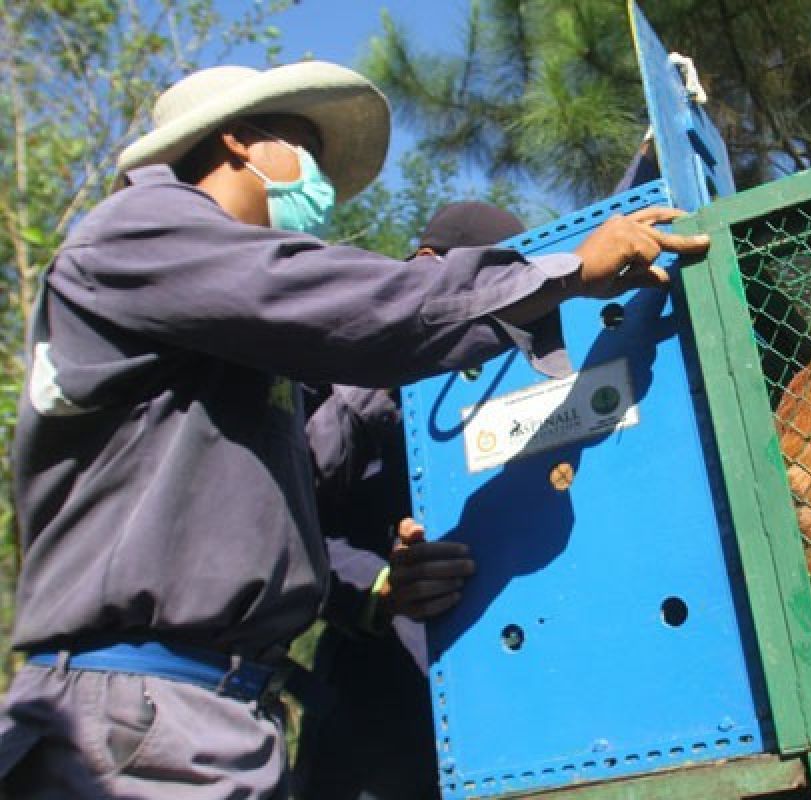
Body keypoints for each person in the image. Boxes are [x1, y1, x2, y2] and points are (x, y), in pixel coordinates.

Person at [0, 61, 707, 799]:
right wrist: (559, 273)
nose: (321, 180)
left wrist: (378, 583)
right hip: (132, 713)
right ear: (242, 142)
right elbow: (360, 309)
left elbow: (304, 463)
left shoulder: (228, 341)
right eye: (305, 146)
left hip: (214, 713)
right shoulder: (141, 232)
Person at [293, 202, 528, 800]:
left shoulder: (516, 381)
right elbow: (282, 521)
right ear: (429, 266)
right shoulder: (349, 374)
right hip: (381, 704)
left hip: (510, 697)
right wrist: (378, 592)